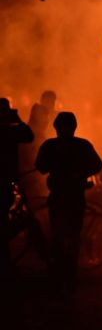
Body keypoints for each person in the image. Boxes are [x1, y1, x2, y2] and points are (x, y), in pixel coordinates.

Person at [35, 112, 102, 293]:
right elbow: (97, 165)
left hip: (62, 196)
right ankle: (68, 275)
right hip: (72, 196)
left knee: (62, 235)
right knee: (70, 236)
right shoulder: (82, 145)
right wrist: (80, 173)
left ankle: (61, 275)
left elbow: (40, 167)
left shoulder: (51, 145)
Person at [0, 98, 34, 277]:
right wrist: (18, 118)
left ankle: (5, 264)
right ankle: (5, 265)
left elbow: (28, 136)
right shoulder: (9, 130)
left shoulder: (9, 130)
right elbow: (29, 135)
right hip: (5, 180)